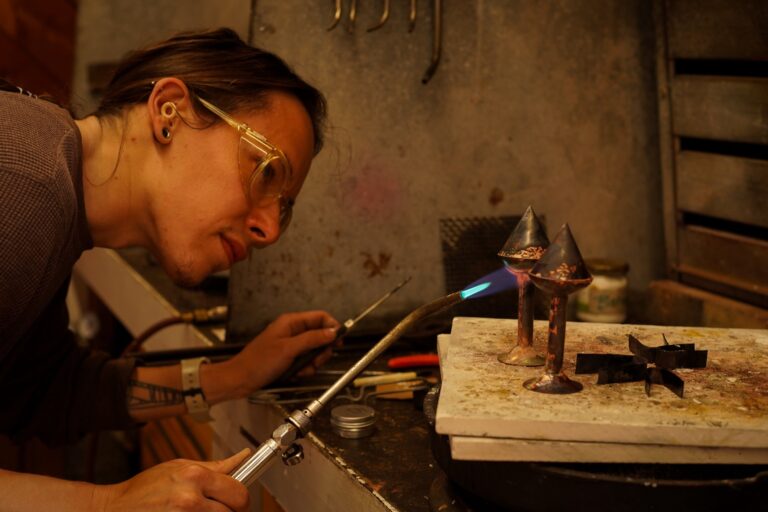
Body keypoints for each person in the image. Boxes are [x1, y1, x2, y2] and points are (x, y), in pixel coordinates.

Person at [0, 28, 340, 511]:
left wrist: (234, 376)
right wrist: (108, 503)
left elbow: (44, 390)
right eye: (267, 171)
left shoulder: (48, 186)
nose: (270, 230)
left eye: (284, 208)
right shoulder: (23, 183)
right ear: (170, 112)